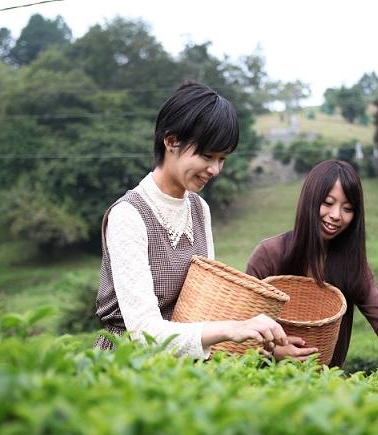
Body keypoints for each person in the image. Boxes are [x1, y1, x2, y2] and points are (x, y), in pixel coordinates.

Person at [94, 81, 287, 358]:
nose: (215, 169)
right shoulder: (128, 215)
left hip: (181, 363)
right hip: (128, 364)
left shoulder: (199, 208)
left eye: (222, 159)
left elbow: (204, 308)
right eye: (208, 156)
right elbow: (143, 333)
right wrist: (230, 329)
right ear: (171, 141)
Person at [246, 159, 378, 367]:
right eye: (328, 203)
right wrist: (272, 351)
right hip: (266, 382)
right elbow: (241, 323)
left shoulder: (352, 264)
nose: (336, 216)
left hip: (327, 385)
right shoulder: (270, 254)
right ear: (310, 200)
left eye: (347, 208)